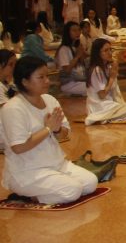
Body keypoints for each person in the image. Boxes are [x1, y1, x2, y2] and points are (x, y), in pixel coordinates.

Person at [1, 56, 97, 204]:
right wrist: (48, 128)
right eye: (41, 77)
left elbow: (64, 134)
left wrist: (57, 130)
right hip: (27, 172)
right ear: (25, 81)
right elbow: (18, 147)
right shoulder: (13, 108)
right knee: (73, 190)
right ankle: (27, 197)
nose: (47, 81)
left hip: (56, 164)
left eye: (47, 76)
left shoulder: (50, 100)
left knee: (91, 183)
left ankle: (48, 190)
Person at [85, 38, 126, 125]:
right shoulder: (96, 70)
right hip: (100, 106)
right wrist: (112, 78)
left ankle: (115, 114)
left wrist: (114, 70)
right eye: (106, 50)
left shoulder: (107, 67)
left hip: (109, 103)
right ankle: (105, 117)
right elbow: (102, 95)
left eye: (110, 49)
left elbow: (114, 92)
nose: (110, 53)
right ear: (98, 53)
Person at [55, 21, 88, 96]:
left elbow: (82, 64)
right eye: (74, 30)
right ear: (67, 33)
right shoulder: (63, 49)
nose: (77, 33)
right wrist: (77, 56)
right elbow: (67, 70)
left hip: (79, 79)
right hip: (69, 83)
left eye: (79, 30)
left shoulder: (76, 46)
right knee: (95, 88)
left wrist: (82, 55)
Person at [0, 50, 17, 152]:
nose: (14, 68)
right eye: (11, 64)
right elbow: (8, 110)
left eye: (15, 64)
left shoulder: (6, 83)